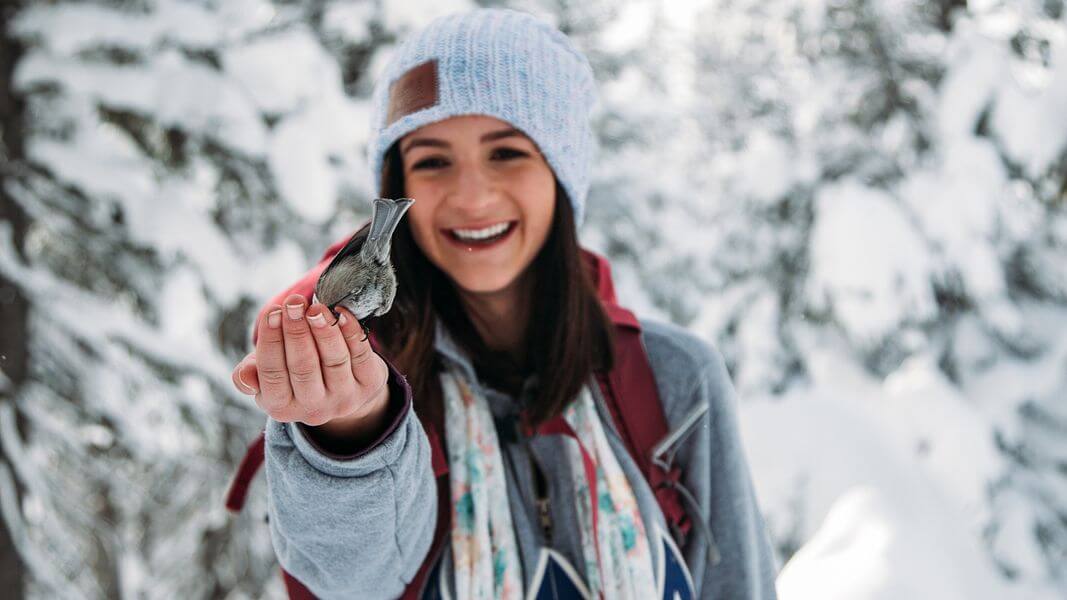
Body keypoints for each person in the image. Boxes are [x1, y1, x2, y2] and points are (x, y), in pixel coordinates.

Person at [229, 8, 779, 600]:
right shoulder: (364, 388)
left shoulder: (675, 381)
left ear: (561, 172)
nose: (472, 196)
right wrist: (354, 436)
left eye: (507, 152)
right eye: (433, 161)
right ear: (399, 188)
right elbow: (348, 582)